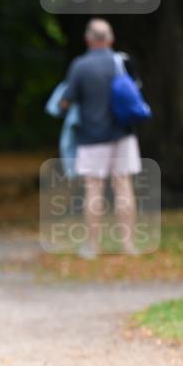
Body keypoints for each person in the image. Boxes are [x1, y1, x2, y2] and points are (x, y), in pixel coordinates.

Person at [60, 18, 142, 257]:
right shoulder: (122, 62)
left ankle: (92, 246)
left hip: (92, 136)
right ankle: (128, 245)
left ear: (88, 39)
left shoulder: (80, 66)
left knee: (93, 190)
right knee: (123, 186)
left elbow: (66, 101)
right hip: (124, 134)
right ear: (110, 39)